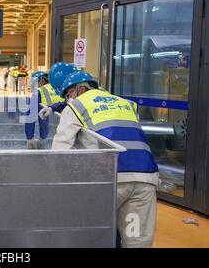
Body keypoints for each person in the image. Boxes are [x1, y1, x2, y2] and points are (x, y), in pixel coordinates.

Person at [52, 70, 159, 248]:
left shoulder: (76, 106)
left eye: (68, 95)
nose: (67, 99)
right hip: (145, 177)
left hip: (109, 179)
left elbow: (60, 151)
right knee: (136, 239)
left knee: (92, 232)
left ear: (79, 89)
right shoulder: (127, 104)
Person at [25, 71, 64, 149]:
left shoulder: (39, 92)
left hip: (51, 137)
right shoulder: (61, 88)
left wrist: (30, 138)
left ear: (42, 80)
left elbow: (30, 117)